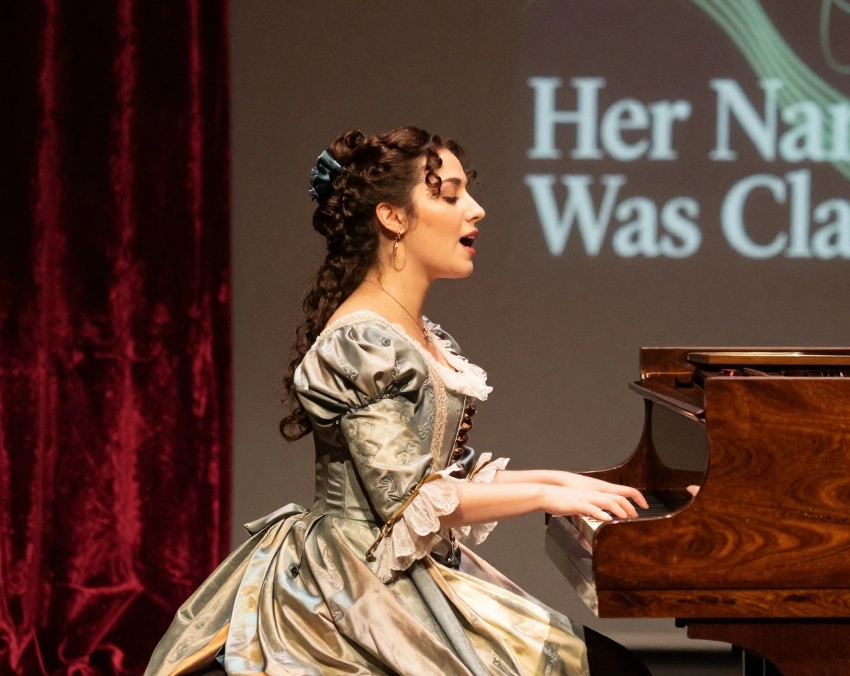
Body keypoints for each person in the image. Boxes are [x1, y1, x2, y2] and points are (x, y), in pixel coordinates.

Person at [146, 126, 654, 676]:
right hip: (353, 585)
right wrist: (542, 496)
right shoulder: (360, 342)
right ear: (393, 217)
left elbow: (447, 474)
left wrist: (563, 482)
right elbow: (411, 501)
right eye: (451, 194)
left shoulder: (417, 336)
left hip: (411, 572)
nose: (477, 210)